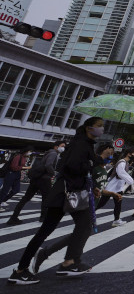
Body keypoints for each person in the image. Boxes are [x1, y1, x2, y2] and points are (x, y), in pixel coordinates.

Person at [7, 117, 105, 285]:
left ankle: (69, 262)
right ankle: (21, 270)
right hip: (65, 194)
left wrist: (93, 172)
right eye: (99, 126)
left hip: (71, 192)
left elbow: (79, 167)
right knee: (46, 231)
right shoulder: (80, 144)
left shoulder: (84, 144)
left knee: (84, 225)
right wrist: (91, 162)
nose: (102, 129)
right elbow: (73, 166)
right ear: (89, 128)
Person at [6, 141, 64, 225]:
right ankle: (43, 217)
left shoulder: (47, 153)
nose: (63, 148)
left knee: (26, 198)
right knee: (46, 198)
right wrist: (53, 173)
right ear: (56, 147)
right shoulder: (53, 154)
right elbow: (48, 165)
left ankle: (13, 217)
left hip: (36, 178)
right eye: (62, 146)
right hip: (44, 179)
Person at [102, 148, 134, 227]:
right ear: (129, 154)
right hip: (112, 186)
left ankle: (116, 220)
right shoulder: (122, 162)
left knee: (118, 204)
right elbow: (121, 173)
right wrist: (130, 180)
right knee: (101, 203)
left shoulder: (125, 162)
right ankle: (88, 217)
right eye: (133, 154)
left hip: (118, 187)